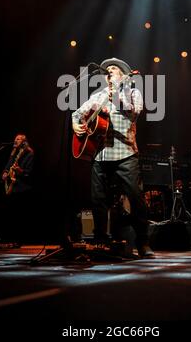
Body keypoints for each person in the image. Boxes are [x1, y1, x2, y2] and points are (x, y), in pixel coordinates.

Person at [72, 57, 154, 258]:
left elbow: (134, 113)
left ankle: (143, 243)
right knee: (98, 200)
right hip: (100, 155)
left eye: (114, 69)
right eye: (107, 69)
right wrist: (76, 124)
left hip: (125, 153)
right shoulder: (97, 96)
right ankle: (101, 241)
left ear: (123, 75)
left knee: (136, 198)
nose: (109, 72)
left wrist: (116, 95)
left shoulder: (133, 92)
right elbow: (77, 114)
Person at [1, 133, 34, 245]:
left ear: (24, 142)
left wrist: (20, 171)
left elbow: (29, 173)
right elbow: (8, 165)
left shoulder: (29, 153)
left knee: (21, 216)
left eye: (18, 139)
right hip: (13, 187)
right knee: (12, 215)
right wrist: (5, 172)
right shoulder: (14, 153)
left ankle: (21, 240)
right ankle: (11, 239)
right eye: (15, 138)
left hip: (23, 188)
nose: (15, 140)